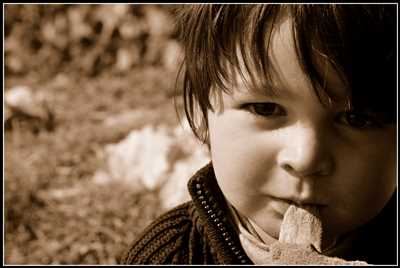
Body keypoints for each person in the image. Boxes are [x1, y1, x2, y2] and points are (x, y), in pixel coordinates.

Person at [119, 4, 397, 265]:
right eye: (265, 108)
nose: (305, 159)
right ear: (202, 112)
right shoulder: (172, 256)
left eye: (356, 118)